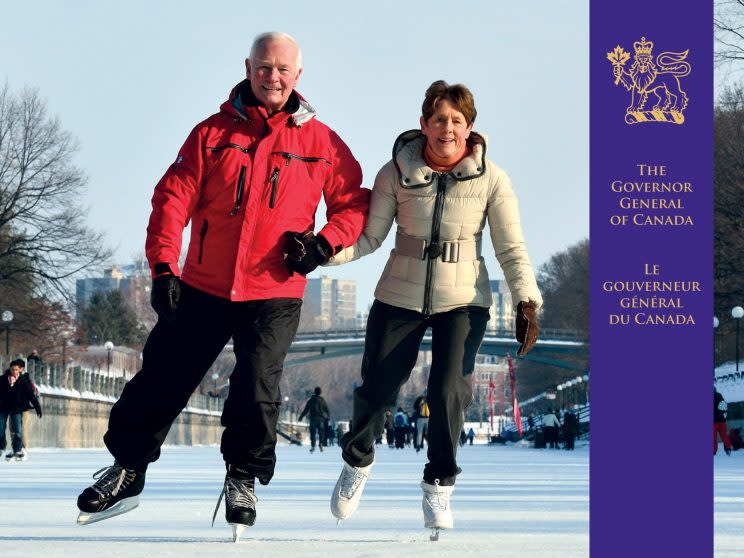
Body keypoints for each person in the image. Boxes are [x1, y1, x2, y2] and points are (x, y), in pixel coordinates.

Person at [75, 31, 369, 535]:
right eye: (263, 67)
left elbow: (355, 203)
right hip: (205, 284)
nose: (271, 77)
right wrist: (165, 266)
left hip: (275, 289)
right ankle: (127, 470)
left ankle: (243, 476)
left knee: (257, 386)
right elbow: (172, 198)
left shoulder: (321, 142)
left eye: (281, 69)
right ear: (248, 67)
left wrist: (323, 245)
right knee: (161, 378)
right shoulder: (212, 133)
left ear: (297, 76)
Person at [328, 80, 542, 535]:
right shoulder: (395, 172)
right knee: (379, 387)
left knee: (449, 391)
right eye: (439, 119)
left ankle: (439, 482)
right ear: (424, 123)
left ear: (470, 128)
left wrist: (527, 298)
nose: (448, 128)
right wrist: (322, 254)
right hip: (399, 295)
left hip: (463, 299)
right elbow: (368, 239)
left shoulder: (493, 179)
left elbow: (511, 248)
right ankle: (357, 460)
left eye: (457, 121)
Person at [0, 359, 42, 461]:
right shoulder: (2, 379)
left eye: (16, 370)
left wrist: (38, 408)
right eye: (13, 369)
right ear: (10, 369)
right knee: (0, 428)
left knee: (18, 431)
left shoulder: (23, 381)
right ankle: (1, 446)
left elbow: (31, 395)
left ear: (19, 370)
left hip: (16, 409)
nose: (14, 372)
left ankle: (18, 449)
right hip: (3, 408)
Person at [298, 387, 330, 453]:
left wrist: (301, 417)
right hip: (321, 419)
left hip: (313, 419)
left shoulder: (311, 400)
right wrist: (328, 417)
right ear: (320, 392)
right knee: (321, 432)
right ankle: (321, 443)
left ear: (314, 392)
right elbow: (326, 409)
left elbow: (306, 410)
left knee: (313, 433)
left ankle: (313, 446)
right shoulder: (322, 400)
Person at [714, 387, 732, 456]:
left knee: (713, 437)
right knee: (724, 436)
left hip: (714, 422)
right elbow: (725, 409)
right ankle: (728, 449)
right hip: (722, 422)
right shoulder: (721, 398)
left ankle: (713, 451)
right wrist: (724, 419)